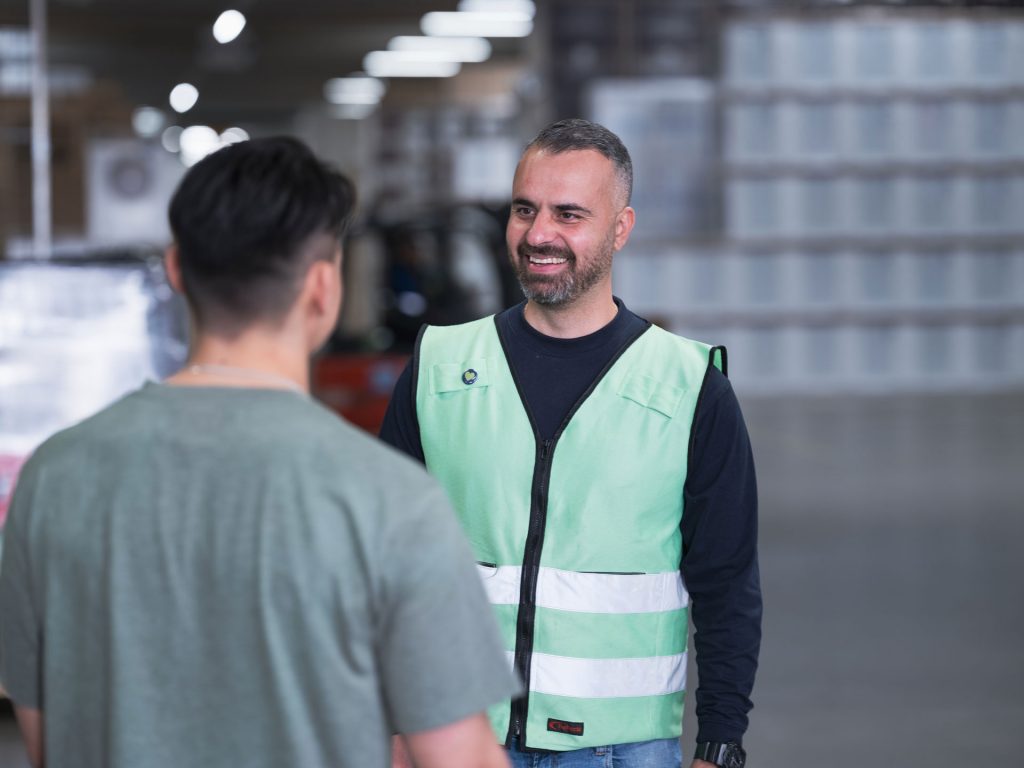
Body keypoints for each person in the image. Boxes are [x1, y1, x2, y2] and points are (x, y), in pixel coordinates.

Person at [0, 137, 517, 768]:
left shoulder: (53, 479)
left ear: (176, 270)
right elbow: (458, 758)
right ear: (323, 289)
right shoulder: (392, 501)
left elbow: (45, 739)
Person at [379, 119, 761, 768]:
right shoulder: (441, 367)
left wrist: (720, 744)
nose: (539, 234)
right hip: (459, 739)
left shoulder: (688, 386)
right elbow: (385, 563)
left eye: (569, 214)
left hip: (625, 748)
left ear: (621, 228)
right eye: (524, 209)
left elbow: (726, 584)